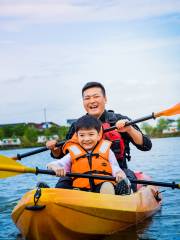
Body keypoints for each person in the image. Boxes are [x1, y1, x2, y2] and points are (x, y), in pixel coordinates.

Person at [47, 82, 152, 191]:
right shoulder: (77, 125)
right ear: (83, 102)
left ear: (105, 99)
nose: (92, 101)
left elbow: (146, 146)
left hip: (116, 171)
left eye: (96, 96)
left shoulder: (120, 120)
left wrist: (129, 129)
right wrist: (54, 150)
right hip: (81, 174)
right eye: (87, 98)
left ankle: (121, 194)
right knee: (63, 182)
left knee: (126, 178)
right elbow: (65, 155)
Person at [47, 115, 131, 195]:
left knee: (107, 185)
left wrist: (119, 174)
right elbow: (54, 164)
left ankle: (112, 197)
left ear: (98, 136)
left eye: (91, 134)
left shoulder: (107, 150)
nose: (86, 139)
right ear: (77, 136)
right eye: (82, 135)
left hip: (101, 187)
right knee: (63, 184)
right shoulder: (73, 152)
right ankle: (48, 194)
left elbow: (115, 168)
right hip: (80, 190)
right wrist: (56, 168)